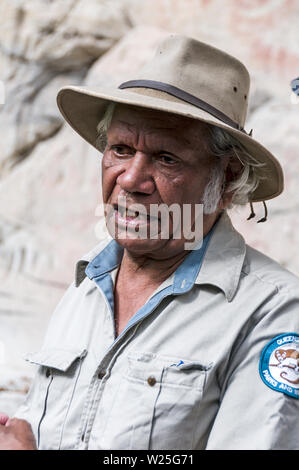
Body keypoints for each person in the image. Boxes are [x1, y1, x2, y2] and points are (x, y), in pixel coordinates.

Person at [0, 35, 298, 450]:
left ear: (227, 178)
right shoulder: (88, 282)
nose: (130, 180)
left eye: (165, 158)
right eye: (120, 149)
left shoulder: (275, 312)